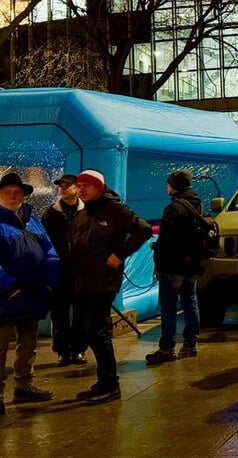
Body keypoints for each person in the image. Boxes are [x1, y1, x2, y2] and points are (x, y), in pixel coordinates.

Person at [68, 169, 151, 405]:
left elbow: (143, 229)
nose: (82, 189)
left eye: (87, 185)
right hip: (84, 281)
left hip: (103, 281)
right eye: (80, 185)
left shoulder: (114, 209)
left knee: (98, 331)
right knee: (88, 331)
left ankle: (111, 385)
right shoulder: (84, 213)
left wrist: (119, 254)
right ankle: (103, 381)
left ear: (99, 187)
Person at [0, 172, 59, 416]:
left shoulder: (33, 221)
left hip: (33, 293)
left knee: (28, 343)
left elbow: (50, 251)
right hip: (6, 296)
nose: (13, 196)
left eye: (17, 192)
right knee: (0, 347)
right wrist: (9, 285)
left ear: (24, 196)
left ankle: (24, 385)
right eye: (7, 192)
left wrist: (49, 281)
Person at [145, 170, 204, 366]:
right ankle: (190, 345)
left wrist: (158, 263)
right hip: (192, 265)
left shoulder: (174, 208)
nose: (166, 187)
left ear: (175, 186)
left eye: (168, 183)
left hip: (173, 267)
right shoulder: (197, 204)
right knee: (191, 303)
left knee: (168, 308)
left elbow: (166, 240)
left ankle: (167, 348)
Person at [42, 173, 87, 366]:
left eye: (67, 185)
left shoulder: (87, 212)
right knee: (59, 313)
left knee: (81, 313)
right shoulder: (51, 213)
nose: (63, 189)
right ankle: (62, 350)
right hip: (59, 272)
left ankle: (79, 350)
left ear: (77, 188)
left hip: (81, 272)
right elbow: (43, 240)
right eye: (61, 186)